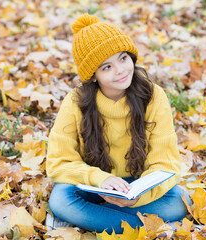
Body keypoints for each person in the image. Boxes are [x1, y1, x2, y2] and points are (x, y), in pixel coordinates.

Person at [46, 13, 190, 234]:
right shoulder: (75, 103)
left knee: (180, 200)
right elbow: (58, 162)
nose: (121, 70)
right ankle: (144, 227)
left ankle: (96, 219)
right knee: (60, 200)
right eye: (107, 67)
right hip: (94, 185)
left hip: (138, 185)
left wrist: (139, 197)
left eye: (123, 58)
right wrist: (99, 178)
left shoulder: (153, 96)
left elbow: (166, 164)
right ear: (92, 76)